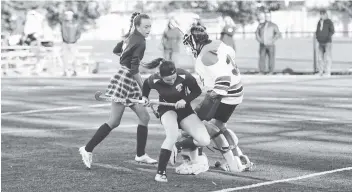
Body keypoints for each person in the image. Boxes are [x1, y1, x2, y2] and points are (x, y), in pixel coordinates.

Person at [79, 12, 157, 169]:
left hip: (125, 76)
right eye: (145, 27)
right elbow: (134, 70)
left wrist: (129, 59)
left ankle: (140, 154)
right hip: (127, 79)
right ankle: (87, 149)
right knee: (114, 121)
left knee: (144, 117)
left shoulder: (130, 36)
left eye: (150, 26)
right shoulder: (141, 42)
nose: (149, 29)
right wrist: (145, 91)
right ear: (137, 26)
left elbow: (117, 51)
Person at [177, 23, 254, 173]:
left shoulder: (204, 57)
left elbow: (223, 80)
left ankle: (231, 164)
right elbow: (231, 55)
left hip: (223, 94)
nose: (188, 47)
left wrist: (212, 97)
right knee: (220, 125)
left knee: (200, 126)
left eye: (188, 43)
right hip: (235, 91)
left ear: (194, 41)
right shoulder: (218, 44)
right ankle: (240, 158)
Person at [142, 58, 211, 182]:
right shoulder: (154, 79)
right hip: (166, 109)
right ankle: (160, 173)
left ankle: (178, 146)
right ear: (161, 76)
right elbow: (146, 85)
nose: (172, 81)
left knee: (204, 140)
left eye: (174, 78)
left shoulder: (184, 75)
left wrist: (185, 100)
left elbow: (197, 90)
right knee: (172, 135)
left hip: (185, 110)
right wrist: (144, 97)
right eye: (168, 80)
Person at [255, 11, 281, 75]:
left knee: (271, 58)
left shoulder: (273, 25)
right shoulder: (261, 25)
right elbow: (257, 33)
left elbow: (277, 34)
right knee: (262, 58)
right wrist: (260, 40)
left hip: (271, 45)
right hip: (262, 44)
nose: (267, 17)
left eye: (269, 16)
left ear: (270, 17)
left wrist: (272, 40)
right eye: (266, 16)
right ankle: (261, 71)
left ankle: (271, 71)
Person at [60, 10, 82, 76]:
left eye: (68, 15)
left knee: (74, 57)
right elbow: (62, 32)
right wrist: (65, 39)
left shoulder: (76, 24)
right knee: (65, 58)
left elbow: (79, 33)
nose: (66, 17)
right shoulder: (63, 23)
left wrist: (75, 39)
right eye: (66, 15)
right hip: (65, 43)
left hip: (73, 43)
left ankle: (75, 70)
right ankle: (65, 71)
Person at [315, 9, 335, 77]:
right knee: (320, 58)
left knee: (328, 58)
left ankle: (328, 72)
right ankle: (320, 72)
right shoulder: (319, 22)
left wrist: (327, 37)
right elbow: (317, 31)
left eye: (323, 14)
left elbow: (332, 31)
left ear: (326, 14)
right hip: (320, 42)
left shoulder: (329, 22)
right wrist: (318, 37)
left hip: (327, 42)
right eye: (321, 14)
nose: (322, 15)